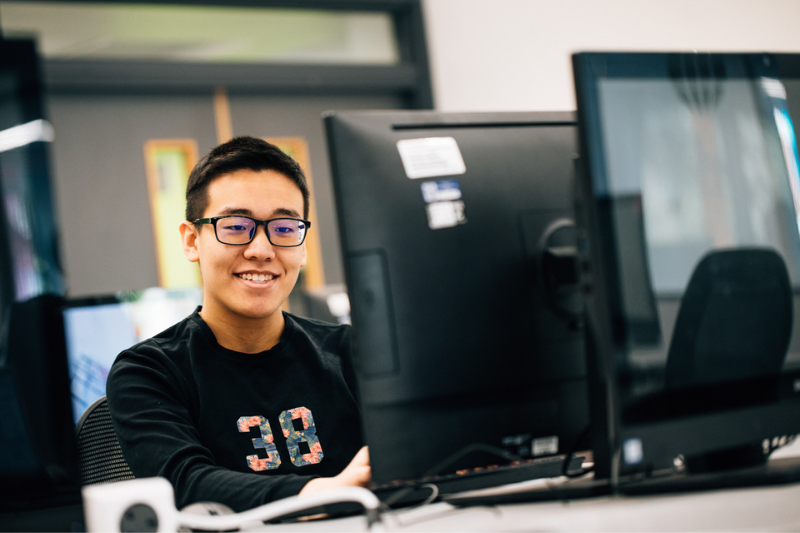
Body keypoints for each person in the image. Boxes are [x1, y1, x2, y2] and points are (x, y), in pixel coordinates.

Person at [106, 136, 370, 512]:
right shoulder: (148, 372)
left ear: (303, 244)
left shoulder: (350, 352)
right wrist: (320, 493)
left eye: (283, 227)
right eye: (235, 226)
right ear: (192, 240)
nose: (261, 250)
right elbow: (185, 484)